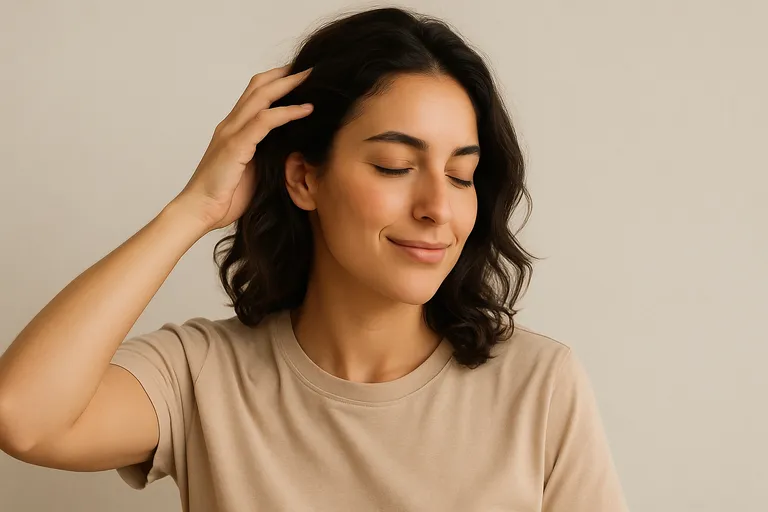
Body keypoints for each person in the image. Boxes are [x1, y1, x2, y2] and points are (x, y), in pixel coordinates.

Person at [0, 6, 629, 512]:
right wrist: (193, 209)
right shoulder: (203, 374)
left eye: (461, 175)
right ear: (304, 178)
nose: (438, 207)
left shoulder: (538, 385)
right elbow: (22, 416)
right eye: (396, 167)